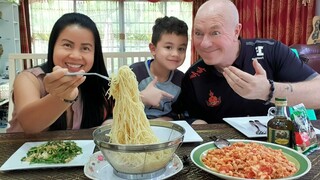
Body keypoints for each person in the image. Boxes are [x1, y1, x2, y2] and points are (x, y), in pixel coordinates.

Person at [176, 0, 320, 124]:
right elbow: (184, 116)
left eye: (215, 33)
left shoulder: (271, 51)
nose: (204, 44)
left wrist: (268, 91)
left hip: (277, 145)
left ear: (236, 31)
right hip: (223, 151)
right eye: (198, 33)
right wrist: (195, 122)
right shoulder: (194, 77)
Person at [7, 12, 113, 133]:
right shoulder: (28, 79)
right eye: (67, 45)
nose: (75, 55)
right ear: (53, 46)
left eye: (85, 48)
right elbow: (29, 126)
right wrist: (63, 96)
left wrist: (109, 122)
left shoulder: (98, 83)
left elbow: (111, 114)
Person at [130, 16, 188, 121]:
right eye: (168, 47)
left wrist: (168, 119)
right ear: (153, 49)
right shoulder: (134, 72)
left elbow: (180, 112)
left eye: (181, 49)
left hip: (165, 128)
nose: (175, 54)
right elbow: (119, 106)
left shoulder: (181, 79)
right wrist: (141, 98)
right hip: (134, 125)